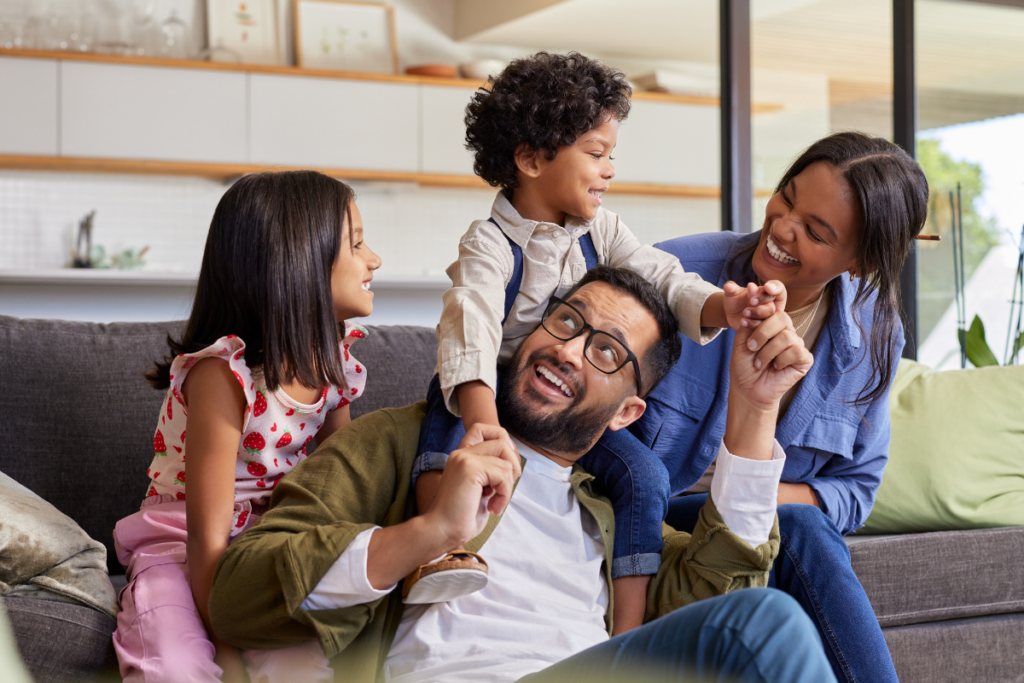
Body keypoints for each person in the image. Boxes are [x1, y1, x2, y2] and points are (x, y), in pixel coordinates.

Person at [208, 266, 836, 683]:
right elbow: (235, 597)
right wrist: (429, 532)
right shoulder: (401, 444)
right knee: (765, 626)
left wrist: (754, 407)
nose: (567, 349)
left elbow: (720, 586)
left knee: (759, 619)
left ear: (628, 412)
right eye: (566, 322)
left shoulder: (622, 519)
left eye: (606, 351)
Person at [410, 51, 780, 633]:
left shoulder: (600, 231)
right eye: (596, 154)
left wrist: (723, 306)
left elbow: (662, 275)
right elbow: (469, 332)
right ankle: (441, 551)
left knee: (645, 477)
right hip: (489, 388)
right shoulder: (488, 244)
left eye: (612, 155)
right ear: (531, 159)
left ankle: (628, 632)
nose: (609, 170)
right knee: (443, 449)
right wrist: (484, 426)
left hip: (562, 411)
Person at [623, 132, 929, 683]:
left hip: (752, 521)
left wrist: (750, 496)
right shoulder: (675, 274)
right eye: (786, 199)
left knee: (796, 528)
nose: (782, 228)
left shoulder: (876, 331)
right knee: (802, 533)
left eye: (815, 231)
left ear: (858, 260)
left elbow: (855, 491)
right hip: (654, 518)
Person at [112, 171, 382, 683]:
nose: (374, 259)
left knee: (302, 668)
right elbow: (206, 545)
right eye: (358, 243)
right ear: (298, 262)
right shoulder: (222, 375)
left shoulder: (334, 369)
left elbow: (343, 487)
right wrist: (230, 659)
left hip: (272, 547)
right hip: (183, 549)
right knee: (175, 664)